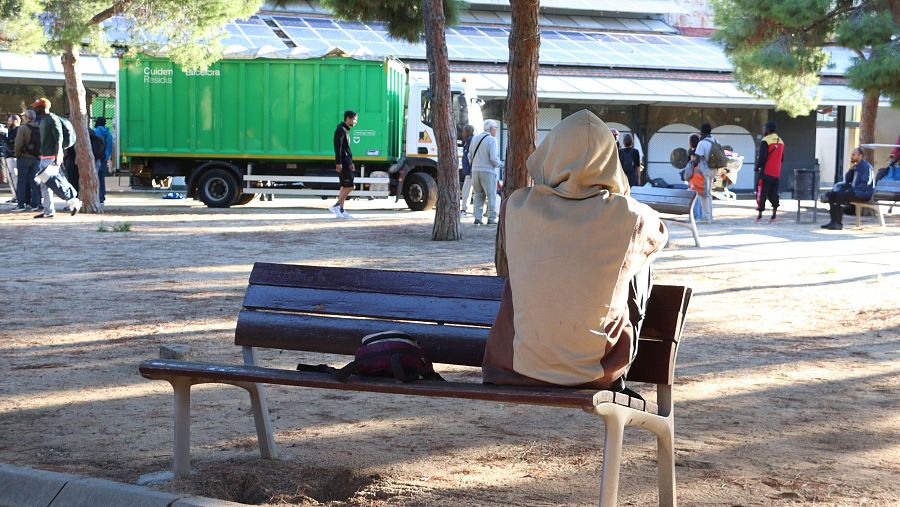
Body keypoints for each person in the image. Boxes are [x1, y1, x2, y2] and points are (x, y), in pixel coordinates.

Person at [482, 110, 668, 394]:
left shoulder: (515, 206)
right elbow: (660, 238)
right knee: (636, 262)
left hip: (513, 367)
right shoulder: (633, 217)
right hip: (598, 372)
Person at [32, 97, 81, 218]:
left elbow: (59, 138)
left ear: (42, 107)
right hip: (45, 157)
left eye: (36, 107)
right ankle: (49, 211)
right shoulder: (44, 120)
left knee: (58, 182)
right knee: (46, 185)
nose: (34, 109)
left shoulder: (52, 119)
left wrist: (58, 155)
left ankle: (74, 202)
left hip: (51, 157)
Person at [819, 147, 873, 230]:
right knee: (832, 195)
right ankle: (833, 221)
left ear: (860, 156)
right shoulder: (856, 166)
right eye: (851, 154)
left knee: (840, 196)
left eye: (853, 155)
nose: (851, 156)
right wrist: (851, 169)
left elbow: (865, 185)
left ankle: (838, 223)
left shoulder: (866, 167)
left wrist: (851, 190)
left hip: (863, 193)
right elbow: (847, 181)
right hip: (854, 192)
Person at [467, 119, 502, 225]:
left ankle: (477, 218)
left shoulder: (475, 138)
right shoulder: (492, 140)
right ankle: (491, 218)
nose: (496, 130)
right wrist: (502, 165)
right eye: (495, 128)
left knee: (478, 195)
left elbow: (469, 155)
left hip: (475, 170)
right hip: (487, 171)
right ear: (491, 129)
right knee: (491, 195)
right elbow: (493, 158)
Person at [754, 121, 785, 223]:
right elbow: (782, 158)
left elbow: (762, 157)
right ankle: (774, 215)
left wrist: (757, 166)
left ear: (767, 129)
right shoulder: (781, 141)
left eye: (764, 128)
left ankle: (760, 215)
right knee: (774, 193)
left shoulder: (766, 140)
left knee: (762, 192)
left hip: (766, 171)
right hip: (776, 172)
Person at [329, 110, 357, 219]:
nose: (355, 122)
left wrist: (351, 162)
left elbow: (346, 149)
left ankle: (340, 209)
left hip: (346, 162)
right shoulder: (340, 130)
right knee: (350, 186)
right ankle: (336, 206)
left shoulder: (345, 130)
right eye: (354, 119)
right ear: (348, 119)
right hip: (343, 163)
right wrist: (338, 163)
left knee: (344, 186)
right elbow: (338, 147)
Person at [12, 110, 41, 212]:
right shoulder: (39, 128)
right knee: (35, 182)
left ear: (27, 117)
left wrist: (17, 154)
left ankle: (21, 204)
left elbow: (18, 144)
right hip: (36, 158)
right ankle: (36, 204)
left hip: (24, 157)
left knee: (21, 182)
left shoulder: (23, 128)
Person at [692, 123, 717, 223]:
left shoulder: (702, 143)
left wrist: (691, 163)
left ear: (702, 131)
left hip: (705, 171)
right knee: (709, 194)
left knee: (704, 195)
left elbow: (697, 159)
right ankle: (710, 216)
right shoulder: (715, 140)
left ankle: (706, 218)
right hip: (714, 170)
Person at [93, 116, 113, 205]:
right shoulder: (109, 134)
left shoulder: (95, 132)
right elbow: (109, 148)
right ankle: (102, 196)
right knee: (101, 178)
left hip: (96, 158)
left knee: (95, 178)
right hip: (104, 159)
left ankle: (97, 196)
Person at [2, 115, 20, 203]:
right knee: (11, 177)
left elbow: (11, 142)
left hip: (13, 156)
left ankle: (18, 196)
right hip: (9, 155)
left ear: (15, 121)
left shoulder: (17, 130)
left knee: (14, 176)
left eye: (10, 121)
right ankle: (14, 195)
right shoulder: (11, 130)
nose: (8, 122)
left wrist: (3, 137)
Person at [686, 133, 704, 220]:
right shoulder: (701, 150)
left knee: (694, 197)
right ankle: (699, 215)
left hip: (694, 177)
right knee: (699, 197)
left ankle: (696, 215)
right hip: (701, 176)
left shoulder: (692, 152)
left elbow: (693, 163)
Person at [459, 124, 475, 216]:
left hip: (470, 170)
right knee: (469, 190)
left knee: (467, 190)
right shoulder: (467, 141)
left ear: (467, 132)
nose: (462, 133)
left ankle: (464, 209)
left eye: (464, 131)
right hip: (469, 170)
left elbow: (470, 155)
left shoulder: (469, 141)